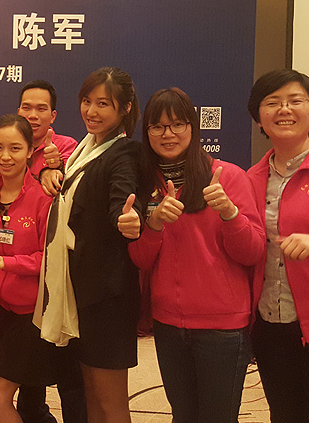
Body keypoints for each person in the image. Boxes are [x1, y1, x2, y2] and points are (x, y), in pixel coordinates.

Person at [128, 88, 264, 422]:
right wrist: (154, 225)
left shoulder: (227, 177)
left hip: (222, 327)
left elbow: (253, 252)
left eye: (177, 124)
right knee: (183, 415)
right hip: (168, 324)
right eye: (157, 127)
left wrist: (230, 213)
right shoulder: (144, 184)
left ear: (193, 127)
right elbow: (140, 260)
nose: (168, 134)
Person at [39, 67, 142, 423]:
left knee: (111, 402)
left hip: (107, 298)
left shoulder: (123, 153)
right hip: (81, 292)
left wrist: (127, 219)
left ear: (125, 109)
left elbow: (122, 201)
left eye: (103, 104)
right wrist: (51, 170)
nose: (92, 111)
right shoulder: (85, 149)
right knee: (91, 396)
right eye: (87, 101)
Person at [246, 69, 309, 422]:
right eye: (272, 102)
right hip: (271, 323)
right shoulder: (251, 178)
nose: (284, 109)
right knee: (284, 414)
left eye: (295, 101)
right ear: (259, 117)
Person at [0, 114, 54, 423]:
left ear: (30, 151)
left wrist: (5, 262)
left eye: (15, 148)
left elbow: (49, 260)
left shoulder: (44, 198)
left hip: (31, 314)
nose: (6, 156)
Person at [0, 80, 78, 198]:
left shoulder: (66, 145)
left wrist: (57, 166)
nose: (33, 115)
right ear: (19, 112)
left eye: (41, 109)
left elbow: (72, 178)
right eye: (26, 108)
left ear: (52, 116)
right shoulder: (3, 141)